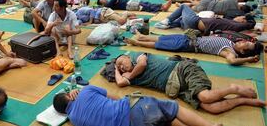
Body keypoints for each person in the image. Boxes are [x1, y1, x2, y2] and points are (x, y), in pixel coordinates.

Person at [114, 53, 266, 114]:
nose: (121, 67)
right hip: (178, 89)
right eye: (119, 67)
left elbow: (142, 65)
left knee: (205, 97)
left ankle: (234, 88)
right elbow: (120, 83)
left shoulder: (138, 56)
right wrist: (116, 68)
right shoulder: (129, 77)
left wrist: (129, 74)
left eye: (121, 62)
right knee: (211, 108)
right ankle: (242, 100)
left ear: (127, 57)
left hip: (182, 70)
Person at [53, 85, 220, 126]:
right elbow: (117, 97)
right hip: (133, 109)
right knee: (173, 108)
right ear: (70, 95)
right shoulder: (86, 90)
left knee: (163, 118)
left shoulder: (74, 119)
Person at [125, 30, 263, 66]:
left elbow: (232, 61)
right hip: (189, 38)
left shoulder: (230, 52)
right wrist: (254, 39)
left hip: (187, 45)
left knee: (159, 45)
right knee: (162, 38)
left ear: (244, 51)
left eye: (246, 44)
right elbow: (249, 37)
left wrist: (249, 59)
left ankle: (138, 43)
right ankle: (142, 36)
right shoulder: (232, 43)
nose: (244, 41)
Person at [155, 4, 256, 35]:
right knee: (181, 19)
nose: (238, 16)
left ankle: (167, 21)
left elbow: (251, 23)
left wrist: (248, 18)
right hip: (191, 26)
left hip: (194, 22)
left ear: (243, 21)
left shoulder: (236, 25)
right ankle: (169, 25)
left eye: (241, 17)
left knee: (183, 7)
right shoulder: (232, 23)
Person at [97, 0, 173, 13]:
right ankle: (162, 8)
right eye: (102, 0)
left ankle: (161, 6)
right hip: (128, 5)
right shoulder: (107, 5)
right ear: (102, 4)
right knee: (145, 6)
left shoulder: (110, 2)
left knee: (146, 3)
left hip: (130, 2)